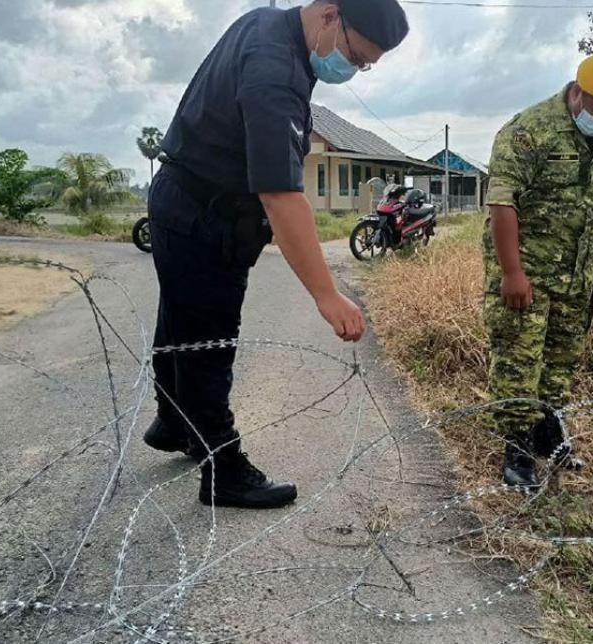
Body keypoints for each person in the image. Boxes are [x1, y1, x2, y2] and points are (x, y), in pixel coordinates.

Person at [145, 0, 409, 509]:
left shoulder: (266, 23)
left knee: (178, 322)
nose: (353, 70)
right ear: (330, 14)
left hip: (183, 198)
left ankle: (173, 421)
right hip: (206, 215)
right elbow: (282, 195)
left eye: (367, 65)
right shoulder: (276, 72)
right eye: (357, 56)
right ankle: (224, 470)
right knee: (209, 342)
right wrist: (326, 294)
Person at [484, 50, 593, 490]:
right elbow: (502, 203)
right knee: (520, 360)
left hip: (577, 273)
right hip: (527, 270)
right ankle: (518, 450)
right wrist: (512, 273)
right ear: (578, 91)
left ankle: (548, 435)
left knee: (562, 361)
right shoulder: (529, 131)